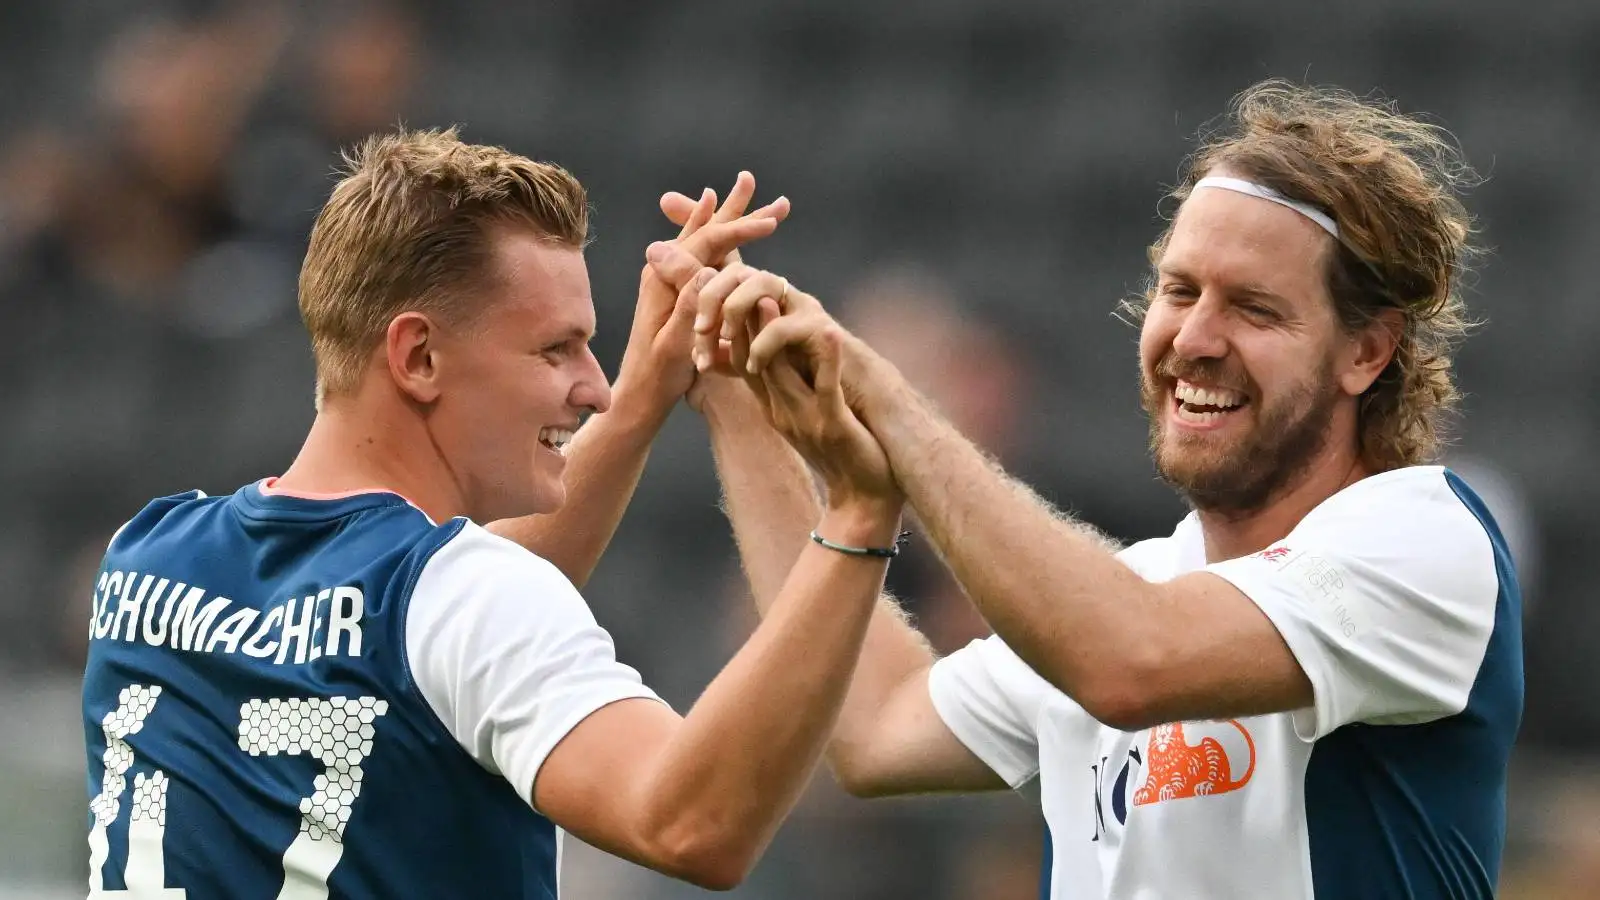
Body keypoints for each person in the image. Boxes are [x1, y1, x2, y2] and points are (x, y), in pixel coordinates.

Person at [650, 80, 1524, 898]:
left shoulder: (1422, 541)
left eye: (1255, 309)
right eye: (1180, 292)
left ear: (1367, 351)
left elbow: (1129, 662)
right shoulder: (1130, 589)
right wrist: (737, 406)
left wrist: (885, 397)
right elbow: (872, 727)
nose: (1195, 338)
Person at [81, 128, 904, 897]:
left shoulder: (147, 555)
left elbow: (453, 648)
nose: (596, 387)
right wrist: (859, 519)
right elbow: (693, 823)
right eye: (556, 349)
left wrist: (651, 386)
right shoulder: (461, 599)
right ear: (420, 356)